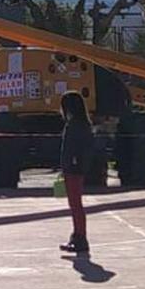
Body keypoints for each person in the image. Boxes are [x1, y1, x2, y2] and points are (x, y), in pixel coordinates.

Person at [58, 91, 94, 255]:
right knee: (74, 204)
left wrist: (72, 163)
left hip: (74, 168)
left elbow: (77, 148)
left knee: (75, 204)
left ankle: (80, 237)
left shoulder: (76, 125)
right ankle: (77, 235)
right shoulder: (80, 124)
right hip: (72, 167)